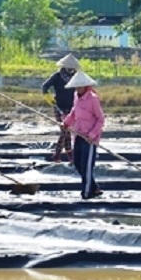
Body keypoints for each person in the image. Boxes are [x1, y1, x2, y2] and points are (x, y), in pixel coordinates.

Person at [62, 70, 105, 199]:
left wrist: (92, 134)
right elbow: (74, 113)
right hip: (79, 135)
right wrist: (66, 123)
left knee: (86, 166)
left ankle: (86, 194)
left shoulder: (93, 99)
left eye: (80, 86)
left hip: (90, 139)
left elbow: (101, 119)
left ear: (86, 86)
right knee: (77, 163)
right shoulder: (76, 96)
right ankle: (94, 187)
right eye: (77, 86)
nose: (78, 88)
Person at [41, 53, 79, 162]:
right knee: (64, 130)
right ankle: (59, 155)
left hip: (72, 108)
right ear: (65, 67)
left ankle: (67, 155)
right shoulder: (57, 76)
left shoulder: (76, 77)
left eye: (73, 68)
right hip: (58, 106)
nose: (71, 70)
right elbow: (45, 87)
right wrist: (48, 98)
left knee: (66, 131)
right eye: (70, 68)